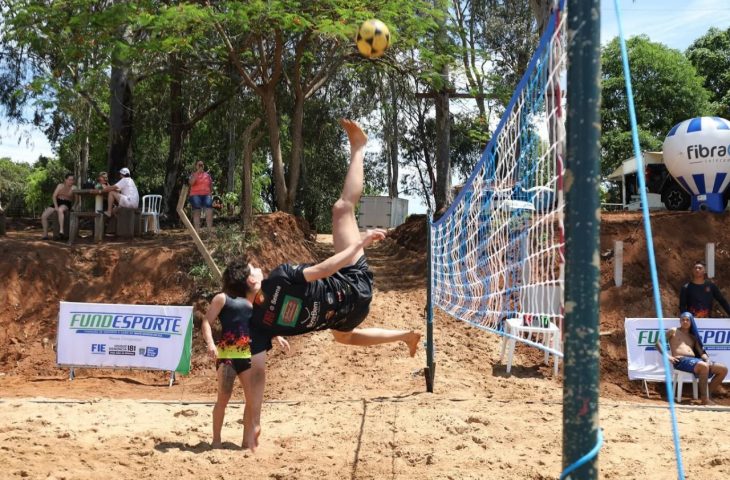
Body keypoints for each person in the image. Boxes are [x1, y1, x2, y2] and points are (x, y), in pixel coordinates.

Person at [242, 119, 421, 452]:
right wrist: (362, 243)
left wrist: (254, 423)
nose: (257, 265)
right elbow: (328, 266)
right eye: (252, 268)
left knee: (345, 337)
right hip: (352, 283)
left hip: (347, 313)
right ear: (251, 281)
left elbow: (257, 376)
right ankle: (359, 147)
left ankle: (405, 335)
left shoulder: (257, 325)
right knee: (342, 209)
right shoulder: (278, 277)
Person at [200, 259, 290, 448]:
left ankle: (246, 442)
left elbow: (264, 325)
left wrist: (277, 335)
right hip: (227, 356)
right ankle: (216, 440)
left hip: (248, 355)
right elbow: (206, 321)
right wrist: (210, 344)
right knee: (223, 398)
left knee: (252, 401)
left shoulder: (255, 301)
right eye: (250, 271)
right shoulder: (222, 298)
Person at [656, 311, 727, 405]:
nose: (685, 322)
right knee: (703, 366)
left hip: (695, 361)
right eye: (683, 320)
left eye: (687, 320)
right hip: (680, 360)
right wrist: (668, 356)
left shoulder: (693, 337)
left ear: (691, 322)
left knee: (723, 369)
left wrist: (707, 359)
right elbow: (658, 343)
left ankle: (708, 394)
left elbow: (701, 353)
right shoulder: (673, 330)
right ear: (680, 321)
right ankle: (704, 400)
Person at [40, 172, 75, 240]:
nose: (71, 181)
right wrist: (55, 206)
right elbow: (54, 196)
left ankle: (61, 231)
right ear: (65, 180)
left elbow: (77, 199)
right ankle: (45, 234)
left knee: (60, 210)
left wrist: (74, 206)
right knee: (44, 216)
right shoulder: (60, 185)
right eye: (69, 179)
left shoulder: (74, 188)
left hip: (66, 203)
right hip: (58, 201)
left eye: (72, 180)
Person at [188, 161, 214, 236]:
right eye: (199, 165)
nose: (201, 166)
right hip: (195, 195)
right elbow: (191, 183)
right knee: (197, 212)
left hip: (206, 195)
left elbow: (211, 185)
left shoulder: (207, 175)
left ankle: (209, 232)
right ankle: (197, 233)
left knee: (209, 211)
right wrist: (197, 173)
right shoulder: (193, 175)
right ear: (196, 166)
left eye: (202, 165)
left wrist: (210, 193)